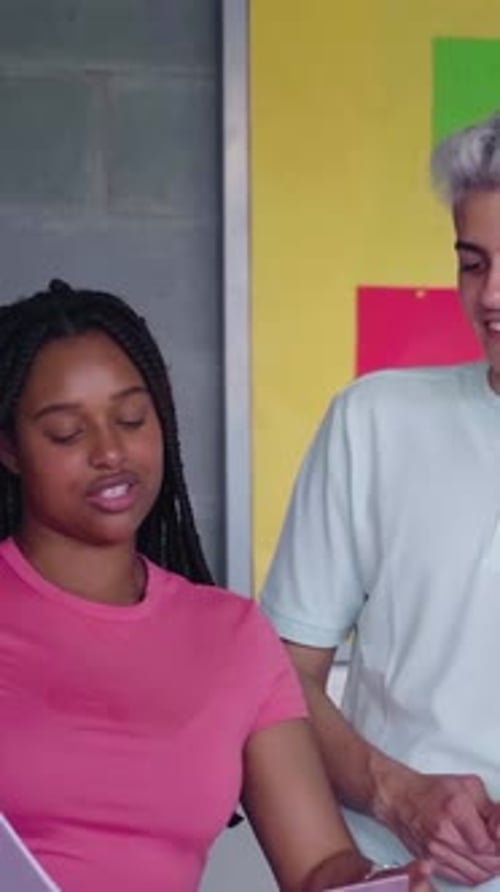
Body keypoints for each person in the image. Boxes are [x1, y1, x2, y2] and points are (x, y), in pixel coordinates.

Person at [0, 280, 430, 892]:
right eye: (67, 433)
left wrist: (384, 886)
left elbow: (317, 865)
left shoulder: (231, 635)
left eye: (131, 418)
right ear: (10, 449)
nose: (110, 452)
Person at [260, 111, 500, 892]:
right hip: (401, 873)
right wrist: (395, 793)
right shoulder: (375, 422)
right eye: (472, 263)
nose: (491, 295)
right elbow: (275, 679)